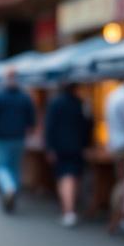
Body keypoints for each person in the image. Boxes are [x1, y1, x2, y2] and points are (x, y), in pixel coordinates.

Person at [0, 67, 36, 213]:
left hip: (2, 138)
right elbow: (31, 119)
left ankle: (8, 188)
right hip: (18, 137)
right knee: (14, 168)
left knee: (1, 167)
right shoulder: (24, 97)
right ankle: (12, 191)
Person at [44, 83, 92, 227]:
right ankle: (69, 209)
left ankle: (68, 211)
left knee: (65, 177)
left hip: (61, 147)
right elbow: (87, 125)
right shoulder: (80, 104)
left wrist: (50, 146)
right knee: (73, 177)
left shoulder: (55, 103)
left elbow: (50, 126)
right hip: (77, 146)